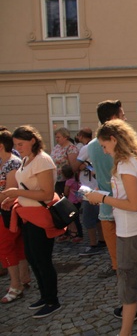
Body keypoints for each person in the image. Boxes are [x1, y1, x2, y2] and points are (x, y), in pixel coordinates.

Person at [86, 119, 137, 336]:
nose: (103, 150)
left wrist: (101, 198)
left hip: (131, 230)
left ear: (114, 140)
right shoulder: (131, 160)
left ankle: (125, 332)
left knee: (128, 285)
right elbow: (132, 200)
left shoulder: (125, 164)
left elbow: (133, 203)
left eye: (104, 145)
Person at [2, 125, 63, 318]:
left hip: (40, 216)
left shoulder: (43, 160)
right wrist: (14, 199)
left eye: (21, 144)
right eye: (15, 145)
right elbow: (29, 187)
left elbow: (45, 193)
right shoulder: (27, 159)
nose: (17, 148)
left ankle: (53, 300)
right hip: (27, 215)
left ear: (33, 141)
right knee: (32, 257)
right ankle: (44, 296)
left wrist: (17, 193)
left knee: (42, 259)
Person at [87, 100, 127, 281]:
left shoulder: (91, 145)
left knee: (117, 260)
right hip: (124, 205)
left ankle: (126, 297)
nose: (125, 118)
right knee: (132, 257)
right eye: (122, 115)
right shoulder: (121, 143)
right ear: (113, 118)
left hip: (105, 206)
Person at [0, 130, 30, 304]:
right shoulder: (5, 161)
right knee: (17, 246)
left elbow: (9, 196)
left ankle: (16, 285)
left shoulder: (12, 163)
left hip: (8, 212)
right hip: (7, 212)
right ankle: (23, 278)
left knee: (6, 248)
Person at [74, 127, 105, 256]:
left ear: (81, 136)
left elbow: (75, 167)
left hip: (88, 187)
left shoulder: (86, 148)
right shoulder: (100, 147)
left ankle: (93, 244)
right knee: (97, 217)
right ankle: (102, 240)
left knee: (87, 218)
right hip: (96, 185)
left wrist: (82, 165)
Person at [57, 164, 83, 243]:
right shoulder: (76, 179)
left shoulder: (68, 182)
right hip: (78, 201)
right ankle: (78, 233)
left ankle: (76, 234)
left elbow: (66, 192)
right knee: (77, 219)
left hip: (71, 202)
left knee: (72, 219)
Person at [50, 127, 79, 196]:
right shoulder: (57, 147)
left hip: (65, 181)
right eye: (56, 137)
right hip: (56, 180)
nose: (56, 139)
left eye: (58, 137)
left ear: (65, 137)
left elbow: (73, 167)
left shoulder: (71, 148)